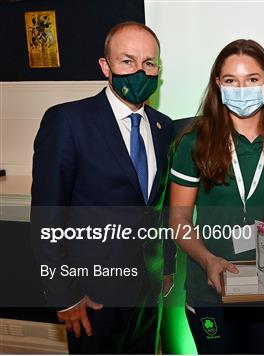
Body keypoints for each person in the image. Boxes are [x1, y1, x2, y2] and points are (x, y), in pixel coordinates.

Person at [31, 21, 176, 354]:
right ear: (105, 66)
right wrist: (63, 295)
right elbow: (46, 217)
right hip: (91, 296)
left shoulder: (162, 127)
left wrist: (166, 267)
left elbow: (160, 207)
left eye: (149, 63)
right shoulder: (68, 121)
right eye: (127, 61)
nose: (140, 71)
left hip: (147, 292)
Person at [169, 39, 264, 354]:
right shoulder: (193, 144)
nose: (241, 89)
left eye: (252, 79)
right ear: (218, 84)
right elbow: (178, 219)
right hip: (210, 290)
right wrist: (208, 260)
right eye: (231, 80)